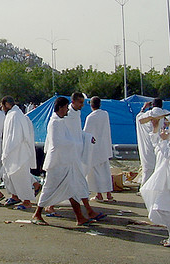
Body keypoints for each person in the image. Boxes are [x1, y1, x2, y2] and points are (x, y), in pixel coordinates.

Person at [32, 97, 92, 226]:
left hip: (65, 162)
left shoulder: (60, 121)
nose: (67, 110)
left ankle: (80, 217)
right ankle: (37, 214)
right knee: (49, 189)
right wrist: (75, 144)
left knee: (71, 189)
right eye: (66, 107)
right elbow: (57, 143)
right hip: (56, 163)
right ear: (60, 108)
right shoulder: (55, 122)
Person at [139, 107, 170, 247]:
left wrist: (164, 140)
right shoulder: (163, 132)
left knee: (161, 207)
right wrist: (155, 132)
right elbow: (157, 147)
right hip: (163, 174)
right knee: (162, 206)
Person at [63, 92, 101, 221]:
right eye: (80, 103)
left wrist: (87, 137)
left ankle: (87, 211)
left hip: (75, 154)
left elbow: (77, 132)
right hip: (67, 155)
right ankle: (41, 210)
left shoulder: (76, 114)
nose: (82, 105)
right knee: (57, 184)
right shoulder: (65, 115)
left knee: (78, 182)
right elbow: (64, 135)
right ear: (73, 102)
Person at [0, 96, 37, 209]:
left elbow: (14, 137)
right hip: (14, 151)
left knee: (20, 176)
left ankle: (26, 201)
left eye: (2, 105)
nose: (1, 108)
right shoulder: (13, 114)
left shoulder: (15, 116)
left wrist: (7, 151)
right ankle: (15, 196)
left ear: (6, 104)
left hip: (18, 152)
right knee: (9, 175)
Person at [83, 96, 114, 202]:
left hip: (95, 148)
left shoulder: (90, 117)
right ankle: (108, 194)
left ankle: (99, 194)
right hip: (104, 146)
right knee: (105, 171)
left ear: (91, 105)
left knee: (95, 172)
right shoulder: (105, 114)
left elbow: (86, 133)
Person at [136, 99, 162, 184]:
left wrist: (143, 108)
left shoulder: (147, 115)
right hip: (162, 146)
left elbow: (138, 117)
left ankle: (145, 187)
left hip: (148, 146)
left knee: (148, 168)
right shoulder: (166, 114)